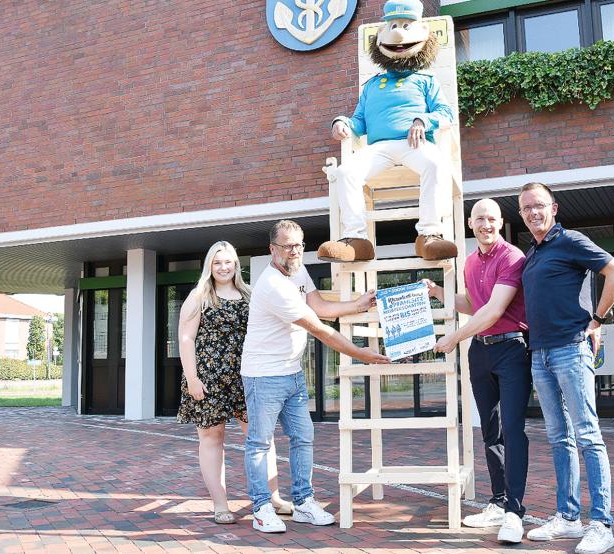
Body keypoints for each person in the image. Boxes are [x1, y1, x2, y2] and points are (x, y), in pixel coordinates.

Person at [241, 220, 390, 533]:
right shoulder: (272, 284)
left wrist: (357, 304)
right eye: (288, 246)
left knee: (303, 436)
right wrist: (361, 354)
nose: (295, 252)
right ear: (272, 249)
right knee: (260, 443)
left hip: (292, 372)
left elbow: (319, 306)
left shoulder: (297, 270)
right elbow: (319, 329)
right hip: (263, 376)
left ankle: (304, 503)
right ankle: (261, 508)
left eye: (299, 245)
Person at [517, 183, 614, 554]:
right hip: (540, 355)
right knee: (558, 438)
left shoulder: (571, 241)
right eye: (526, 208)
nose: (533, 212)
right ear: (521, 214)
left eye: (539, 205)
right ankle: (568, 518)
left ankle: (601, 523)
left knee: (587, 435)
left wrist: (597, 319)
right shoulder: (532, 253)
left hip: (570, 350)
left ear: (554, 207)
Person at [317, 0, 458, 263]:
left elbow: (446, 113)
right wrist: (342, 123)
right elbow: (359, 121)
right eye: (393, 27)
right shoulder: (372, 86)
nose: (399, 36)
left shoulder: (426, 81)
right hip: (378, 148)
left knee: (436, 163)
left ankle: (429, 234)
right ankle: (357, 239)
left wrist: (422, 121)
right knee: (345, 172)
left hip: (414, 144)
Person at [425, 199, 531, 544]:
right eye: (480, 219)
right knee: (491, 432)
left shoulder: (512, 256)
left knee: (513, 431)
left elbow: (495, 310)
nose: (486, 224)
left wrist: (454, 336)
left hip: (511, 348)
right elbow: (474, 305)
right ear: (470, 224)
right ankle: (498, 502)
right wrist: (438, 292)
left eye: (492, 219)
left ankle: (515, 512)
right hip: (481, 353)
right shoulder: (470, 261)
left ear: (500, 222)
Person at [176, 241, 293, 524]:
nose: (223, 267)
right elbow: (185, 338)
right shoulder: (199, 295)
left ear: (236, 265)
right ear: (209, 266)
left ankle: (273, 497)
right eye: (217, 262)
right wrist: (192, 378)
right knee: (212, 438)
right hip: (208, 378)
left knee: (260, 437)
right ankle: (220, 504)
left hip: (247, 375)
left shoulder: (250, 294)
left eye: (228, 262)